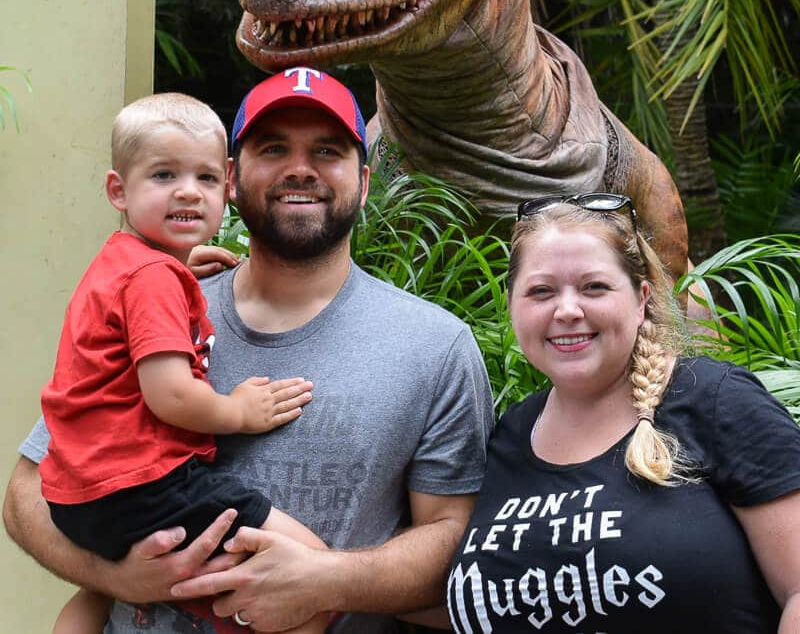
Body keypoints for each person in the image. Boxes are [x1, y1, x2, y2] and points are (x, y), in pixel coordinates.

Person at [4, 67, 494, 634]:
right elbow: (28, 494)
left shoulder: (434, 346)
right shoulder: (159, 302)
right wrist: (118, 579)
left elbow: (454, 540)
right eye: (274, 147)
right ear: (233, 179)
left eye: (327, 150)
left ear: (363, 181)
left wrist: (325, 581)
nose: (300, 169)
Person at [37, 92, 324, 634]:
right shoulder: (153, 279)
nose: (188, 191)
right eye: (164, 175)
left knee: (99, 590)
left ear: (228, 184)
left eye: (206, 179)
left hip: (82, 494)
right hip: (145, 485)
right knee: (311, 578)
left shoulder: (127, 264)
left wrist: (180, 271)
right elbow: (168, 394)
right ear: (118, 190)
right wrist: (241, 411)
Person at [447, 192, 800, 632]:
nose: (568, 310)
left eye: (594, 287)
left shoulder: (714, 401)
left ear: (640, 299)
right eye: (541, 291)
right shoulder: (508, 436)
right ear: (512, 305)